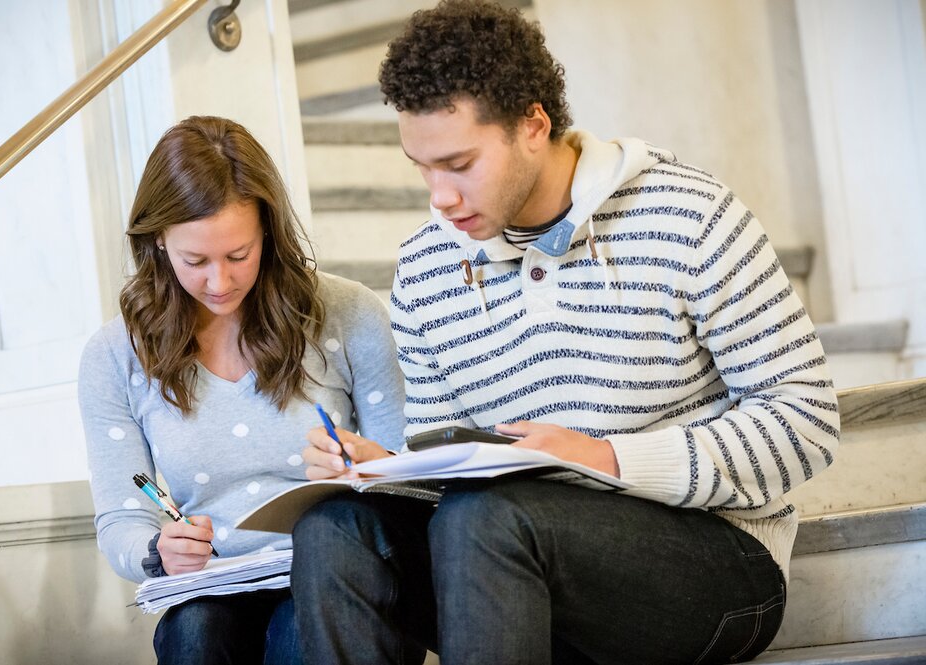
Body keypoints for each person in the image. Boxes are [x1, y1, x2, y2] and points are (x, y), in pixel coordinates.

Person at [292, 2, 840, 663]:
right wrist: (388, 471)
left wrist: (603, 456)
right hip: (507, 562)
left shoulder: (688, 216)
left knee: (488, 520)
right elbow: (448, 466)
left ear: (533, 124)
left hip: (715, 561)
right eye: (422, 166)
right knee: (334, 529)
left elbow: (804, 422)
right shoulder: (426, 269)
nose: (438, 195)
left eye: (460, 163)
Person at [77, 115, 405, 665]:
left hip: (338, 574)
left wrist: (371, 467)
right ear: (158, 240)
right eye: (195, 261)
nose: (220, 283)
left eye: (238, 255)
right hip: (214, 585)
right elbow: (121, 516)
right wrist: (158, 552)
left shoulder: (348, 315)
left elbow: (413, 473)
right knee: (194, 636)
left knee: (302, 632)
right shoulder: (114, 354)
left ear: (268, 235)